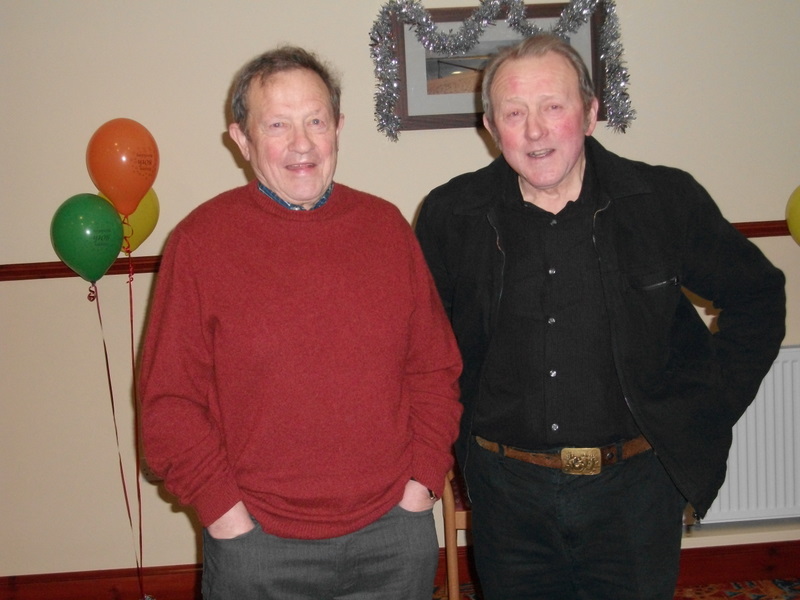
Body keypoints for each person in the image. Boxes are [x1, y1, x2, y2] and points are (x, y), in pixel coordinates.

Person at [416, 34, 786, 600]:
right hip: (507, 497)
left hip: (636, 493)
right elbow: (423, 350)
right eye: (514, 113)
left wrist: (704, 408)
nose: (534, 130)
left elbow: (758, 296)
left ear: (590, 113)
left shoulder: (663, 201)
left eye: (553, 106)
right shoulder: (451, 215)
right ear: (490, 126)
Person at [139, 46, 463, 600]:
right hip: (256, 548)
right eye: (277, 125)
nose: (302, 144)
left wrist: (422, 485)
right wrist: (224, 513)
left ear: (338, 127)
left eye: (316, 121)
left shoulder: (385, 229)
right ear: (241, 140)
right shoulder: (199, 243)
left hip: (392, 536)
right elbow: (169, 404)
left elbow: (433, 371)